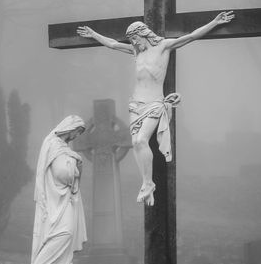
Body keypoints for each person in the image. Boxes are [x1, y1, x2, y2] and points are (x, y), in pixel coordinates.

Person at [77, 11, 234, 206]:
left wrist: (215, 22)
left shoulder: (163, 47)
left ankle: (148, 184)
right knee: (135, 142)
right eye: (132, 40)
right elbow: (113, 44)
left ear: (143, 34)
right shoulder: (136, 51)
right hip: (135, 104)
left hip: (153, 104)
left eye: (135, 38)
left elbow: (193, 35)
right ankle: (146, 183)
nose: (134, 43)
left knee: (142, 140)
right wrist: (94, 34)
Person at [26, 115, 88, 264]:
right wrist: (74, 167)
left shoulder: (64, 148)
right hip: (55, 199)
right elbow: (62, 173)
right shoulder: (53, 144)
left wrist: (75, 165)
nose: (76, 137)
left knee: (67, 234)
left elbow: (71, 174)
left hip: (65, 197)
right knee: (63, 233)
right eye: (76, 132)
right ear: (69, 128)